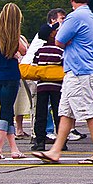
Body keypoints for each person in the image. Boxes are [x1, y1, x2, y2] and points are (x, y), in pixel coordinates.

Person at [32, 0, 93, 164]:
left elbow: (58, 40)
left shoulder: (74, 17)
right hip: (77, 70)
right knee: (65, 112)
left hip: (79, 71)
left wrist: (65, 36)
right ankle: (55, 150)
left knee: (87, 111)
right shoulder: (89, 15)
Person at [0, 3, 29, 160]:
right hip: (11, 76)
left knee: (7, 110)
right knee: (5, 112)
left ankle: (14, 149)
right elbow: (24, 49)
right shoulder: (14, 36)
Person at [30, 21, 64, 152]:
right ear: (51, 35)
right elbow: (63, 64)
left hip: (42, 86)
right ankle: (62, 142)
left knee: (41, 114)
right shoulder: (59, 50)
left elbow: (35, 64)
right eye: (54, 31)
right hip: (56, 86)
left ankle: (40, 141)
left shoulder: (40, 51)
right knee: (58, 113)